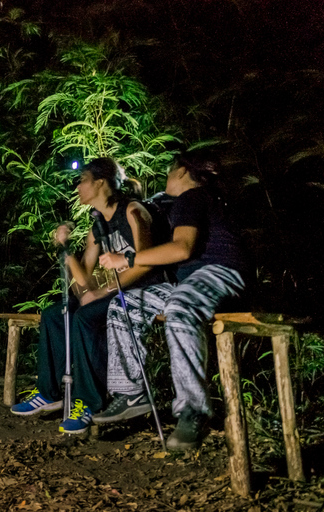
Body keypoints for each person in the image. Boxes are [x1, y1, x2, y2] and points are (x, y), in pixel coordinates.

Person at [96, 149, 247, 451]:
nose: (166, 176)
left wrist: (127, 258)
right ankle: (130, 393)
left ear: (182, 172)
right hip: (191, 282)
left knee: (180, 306)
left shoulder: (194, 196)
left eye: (169, 170)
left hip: (221, 273)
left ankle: (193, 410)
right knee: (124, 305)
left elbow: (182, 249)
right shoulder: (184, 202)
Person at [10, 157, 162, 435]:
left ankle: (88, 403)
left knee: (86, 317)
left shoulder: (132, 210)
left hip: (144, 291)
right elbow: (85, 279)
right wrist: (66, 250)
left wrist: (102, 292)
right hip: (115, 292)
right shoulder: (97, 225)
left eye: (82, 181)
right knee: (57, 314)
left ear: (100, 182)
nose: (77, 186)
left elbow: (146, 262)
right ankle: (49, 392)